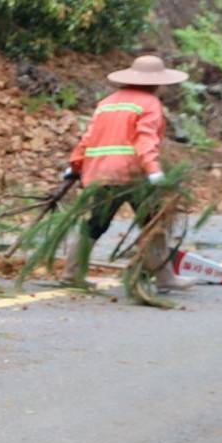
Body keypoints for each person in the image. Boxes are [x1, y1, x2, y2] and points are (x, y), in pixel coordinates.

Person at [57, 51, 186, 283]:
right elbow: (145, 139)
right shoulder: (149, 103)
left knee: (96, 223)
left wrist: (74, 167)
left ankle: (71, 273)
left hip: (99, 173)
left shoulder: (106, 103)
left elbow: (88, 139)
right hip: (131, 174)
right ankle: (165, 278)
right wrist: (153, 171)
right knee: (152, 222)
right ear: (157, 83)